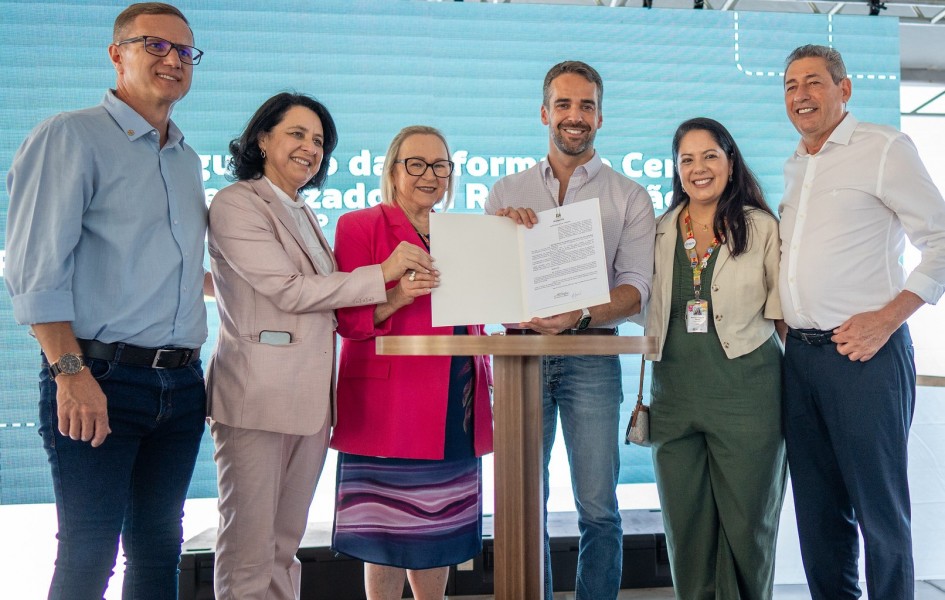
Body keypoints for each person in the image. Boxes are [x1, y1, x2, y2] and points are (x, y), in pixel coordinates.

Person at [4, 3, 208, 598]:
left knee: (158, 552)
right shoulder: (70, 136)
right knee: (89, 555)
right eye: (156, 45)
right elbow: (36, 269)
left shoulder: (187, 159)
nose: (173, 59)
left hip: (180, 384)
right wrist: (69, 373)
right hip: (99, 375)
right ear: (117, 53)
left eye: (185, 51)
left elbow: (175, 271)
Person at [206, 94, 433, 599]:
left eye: (319, 140)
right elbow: (288, 290)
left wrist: (393, 297)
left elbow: (327, 302)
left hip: (309, 404)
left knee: (283, 547)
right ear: (261, 138)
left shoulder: (303, 211)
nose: (311, 147)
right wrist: (384, 273)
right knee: (248, 551)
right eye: (297, 134)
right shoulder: (237, 202)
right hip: (256, 401)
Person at [779, 44, 945, 600]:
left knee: (880, 513)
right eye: (790, 86)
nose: (801, 95)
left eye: (814, 83)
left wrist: (888, 318)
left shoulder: (883, 148)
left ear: (844, 89)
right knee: (819, 516)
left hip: (864, 355)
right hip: (799, 360)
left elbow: (941, 242)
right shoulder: (795, 164)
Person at [485, 61, 655, 600]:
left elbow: (635, 290)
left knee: (599, 508)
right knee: (523, 504)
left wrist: (580, 315)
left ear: (600, 117)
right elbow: (490, 285)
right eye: (563, 104)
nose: (574, 116)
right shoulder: (505, 192)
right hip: (520, 359)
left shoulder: (629, 197)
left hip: (591, 354)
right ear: (544, 113)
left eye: (586, 106)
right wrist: (502, 242)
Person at [330, 125, 494, 600]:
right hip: (388, 404)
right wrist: (399, 294)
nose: (429, 175)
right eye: (416, 164)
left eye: (440, 165)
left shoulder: (460, 233)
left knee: (439, 531)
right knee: (383, 533)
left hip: (455, 399)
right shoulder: (359, 226)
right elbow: (350, 321)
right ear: (392, 171)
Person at [645, 117, 787, 600]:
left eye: (709, 156)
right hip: (674, 395)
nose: (698, 168)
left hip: (748, 393)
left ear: (730, 160)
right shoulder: (660, 229)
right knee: (686, 528)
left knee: (750, 527)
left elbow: (784, 317)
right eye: (687, 159)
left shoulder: (761, 227)